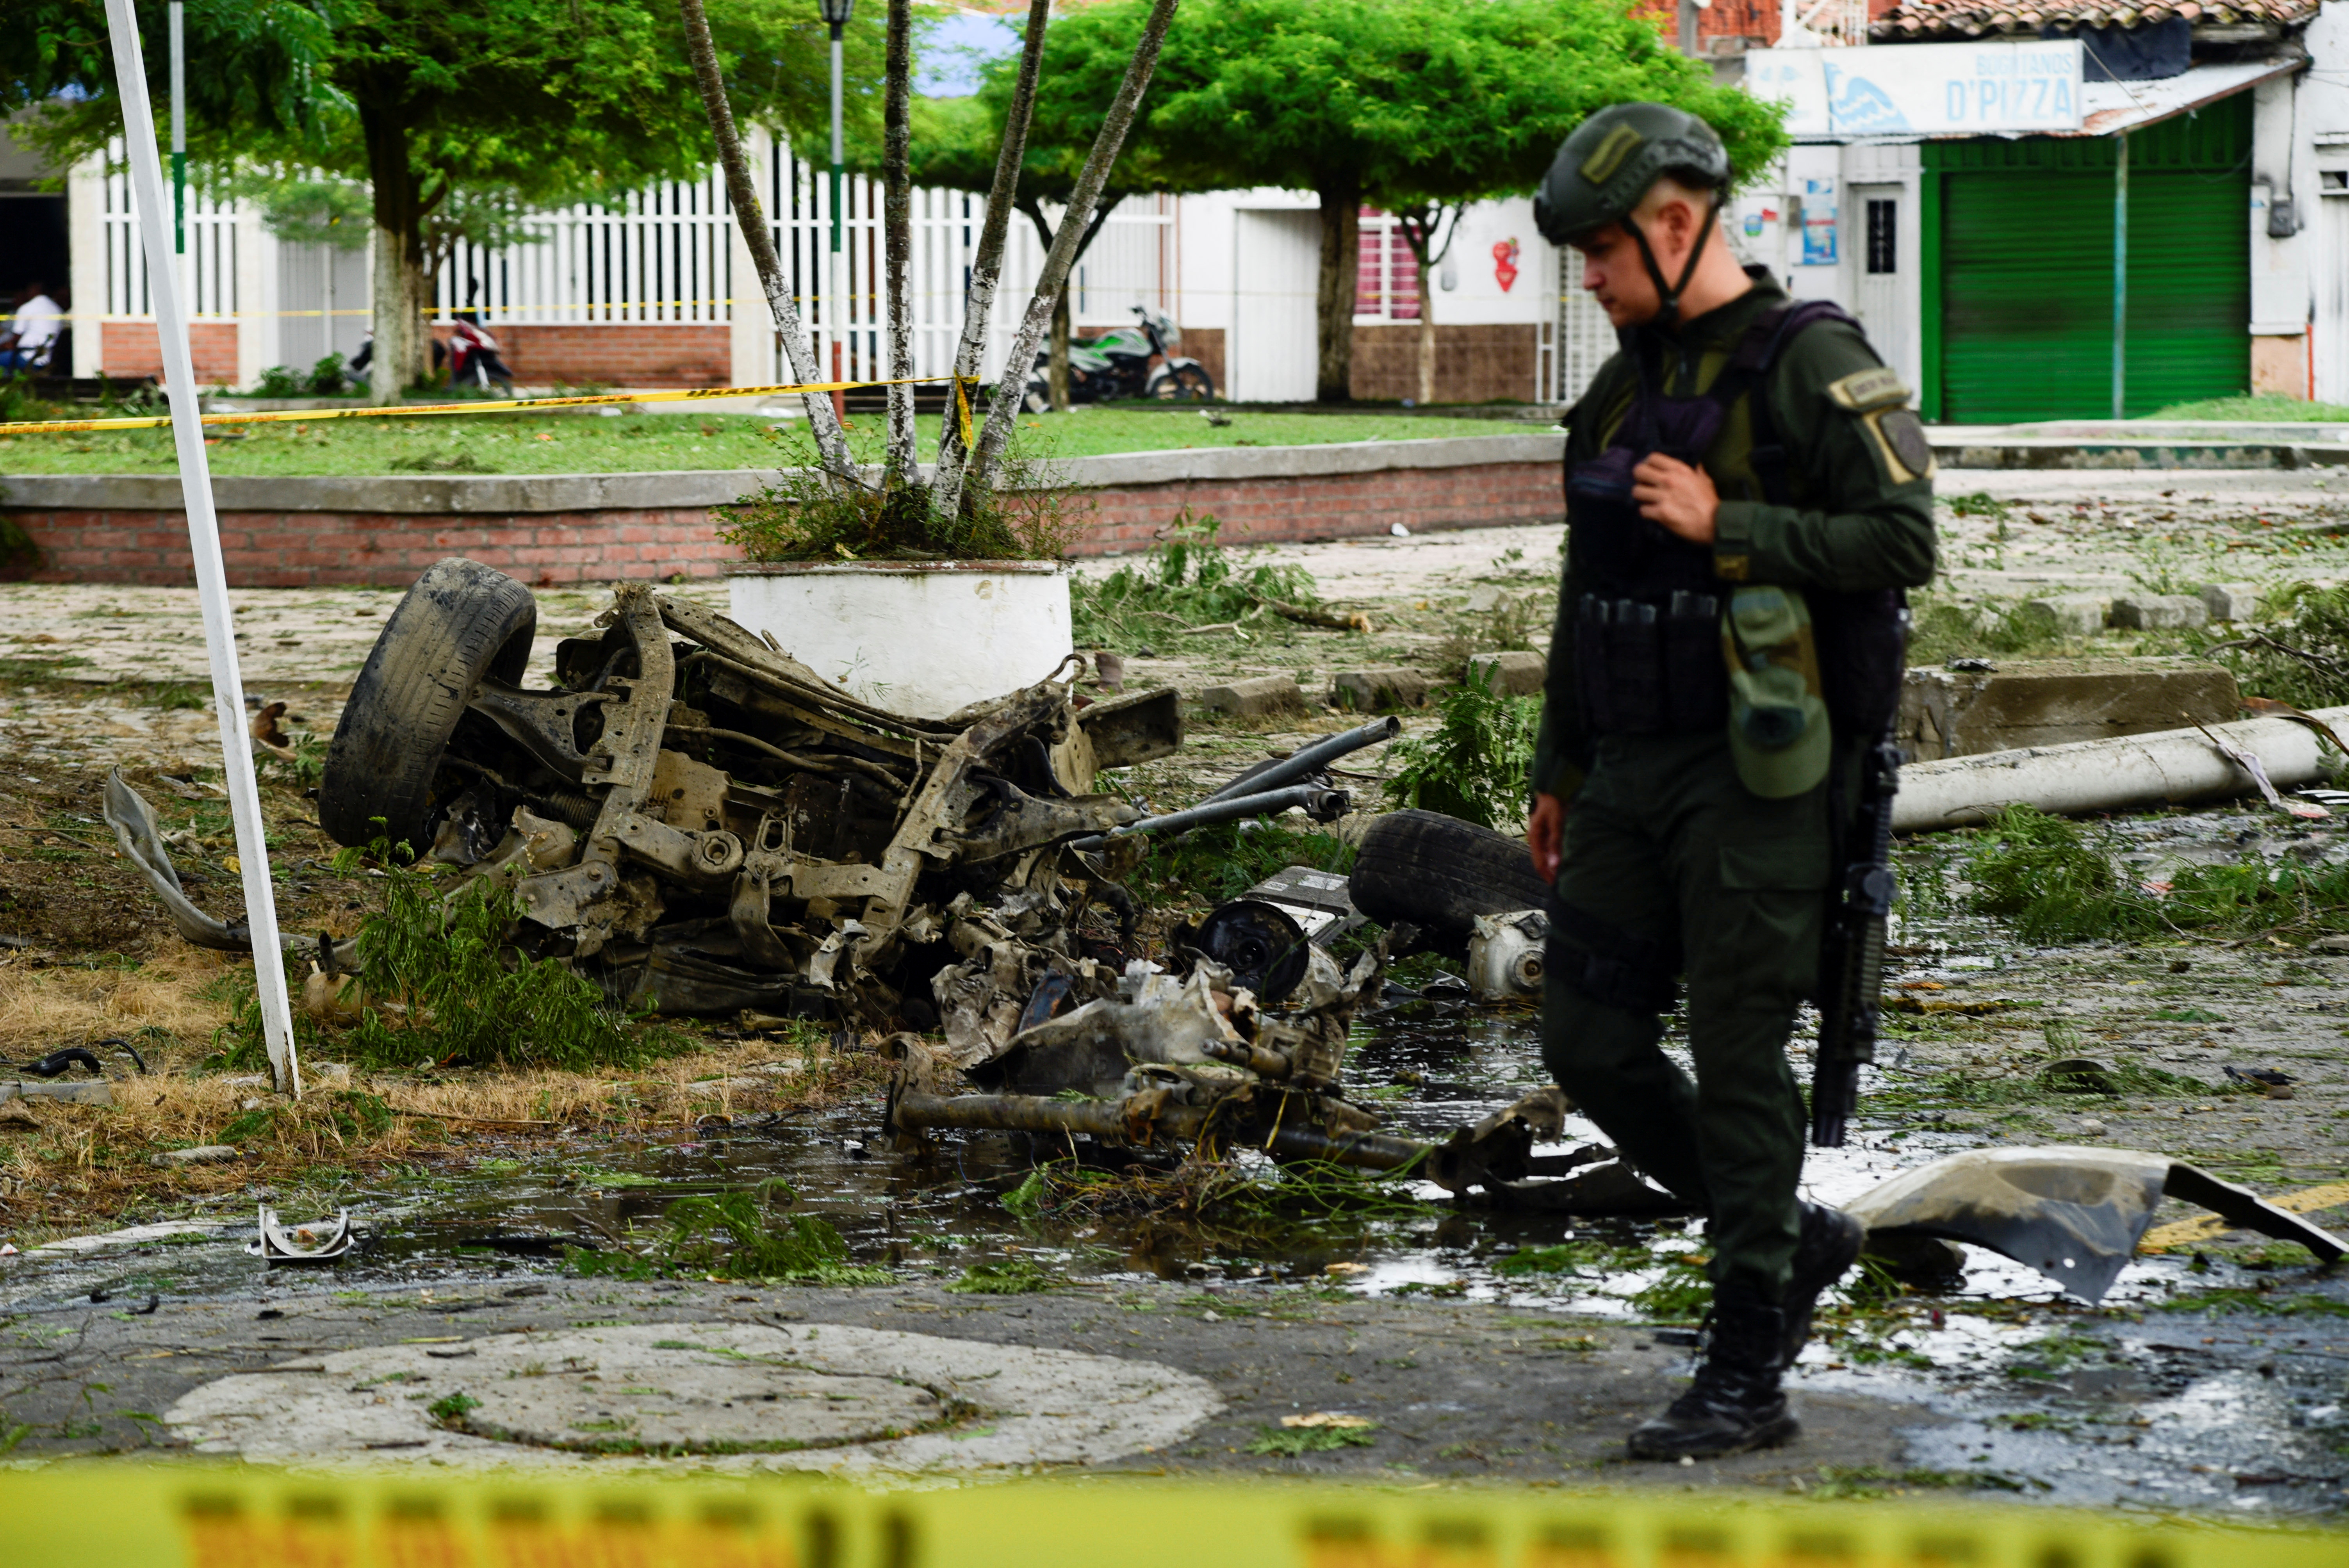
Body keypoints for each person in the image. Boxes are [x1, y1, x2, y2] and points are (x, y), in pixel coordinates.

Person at [1523, 103, 1937, 1460]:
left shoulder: (1808, 360)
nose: (1585, 274)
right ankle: (1789, 1233)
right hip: (1628, 765)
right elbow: (1586, 584)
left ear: (1675, 220)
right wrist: (1557, 765)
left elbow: (1899, 537)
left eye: (1597, 248)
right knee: (1584, 1037)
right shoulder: (1624, 385)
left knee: (1740, 1047)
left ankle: (1745, 1361)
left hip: (1760, 769)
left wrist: (1730, 526)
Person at [0, 282, 63, 372]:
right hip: (46, 359)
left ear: (34, 291)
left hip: (25, 356)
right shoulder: (57, 309)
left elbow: (15, 340)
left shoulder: (28, 307)